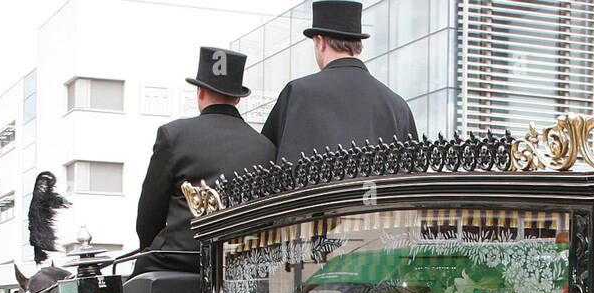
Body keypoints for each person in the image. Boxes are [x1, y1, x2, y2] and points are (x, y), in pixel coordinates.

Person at [134, 47, 274, 273]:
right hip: (242, 262)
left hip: (179, 259)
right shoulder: (265, 147)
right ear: (238, 98)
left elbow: (149, 216)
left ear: (200, 91)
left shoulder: (173, 135)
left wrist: (149, 250)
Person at [262, 0, 417, 164]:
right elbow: (414, 169)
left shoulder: (297, 93)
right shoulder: (397, 106)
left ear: (321, 42)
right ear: (358, 43)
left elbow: (263, 159)